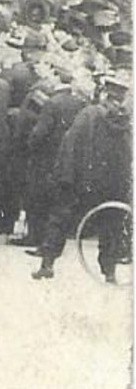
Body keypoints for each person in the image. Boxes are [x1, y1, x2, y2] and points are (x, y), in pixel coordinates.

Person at [32, 69, 132, 281]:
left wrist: (64, 177)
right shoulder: (126, 124)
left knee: (59, 219)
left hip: (82, 182)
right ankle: (109, 271)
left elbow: (70, 145)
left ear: (104, 93)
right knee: (111, 227)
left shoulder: (90, 114)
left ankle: (47, 264)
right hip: (112, 187)